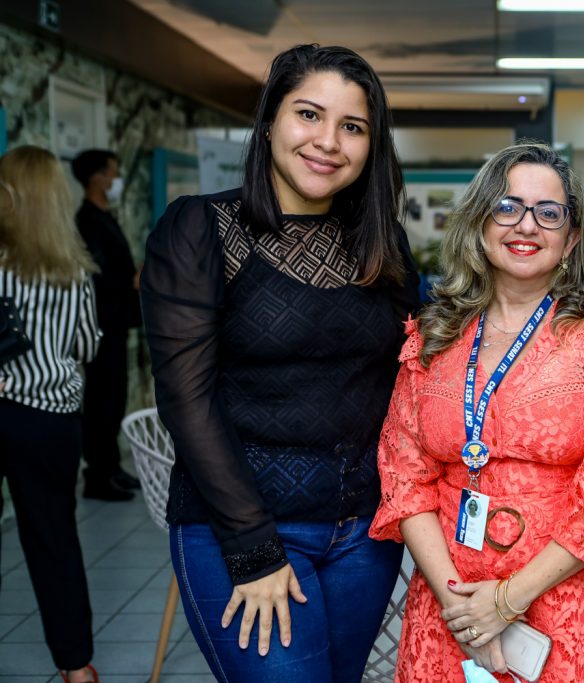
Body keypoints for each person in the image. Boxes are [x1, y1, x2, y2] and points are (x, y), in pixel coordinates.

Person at [141, 44, 419, 682]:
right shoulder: (201, 228)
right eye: (309, 115)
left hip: (363, 537)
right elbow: (186, 399)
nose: (328, 141)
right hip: (244, 529)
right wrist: (255, 549)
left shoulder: (382, 242)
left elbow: (414, 371)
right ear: (269, 120)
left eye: (352, 127)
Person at [369, 142, 584, 682]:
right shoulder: (434, 338)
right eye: (507, 207)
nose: (525, 226)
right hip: (453, 609)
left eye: (548, 213)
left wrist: (507, 601)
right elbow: (404, 478)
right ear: (480, 222)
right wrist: (464, 609)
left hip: (573, 607)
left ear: (572, 236)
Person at [0, 146, 103, 683]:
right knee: (55, 541)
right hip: (52, 419)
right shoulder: (76, 268)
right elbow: (86, 346)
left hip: (3, 405)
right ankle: (76, 666)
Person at [71, 148, 143, 501]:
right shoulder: (87, 221)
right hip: (100, 326)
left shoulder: (104, 216)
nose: (117, 181)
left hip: (116, 323)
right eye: (113, 174)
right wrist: (131, 280)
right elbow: (95, 278)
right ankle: (98, 475)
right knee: (102, 401)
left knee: (112, 400)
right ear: (97, 177)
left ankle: (111, 467)